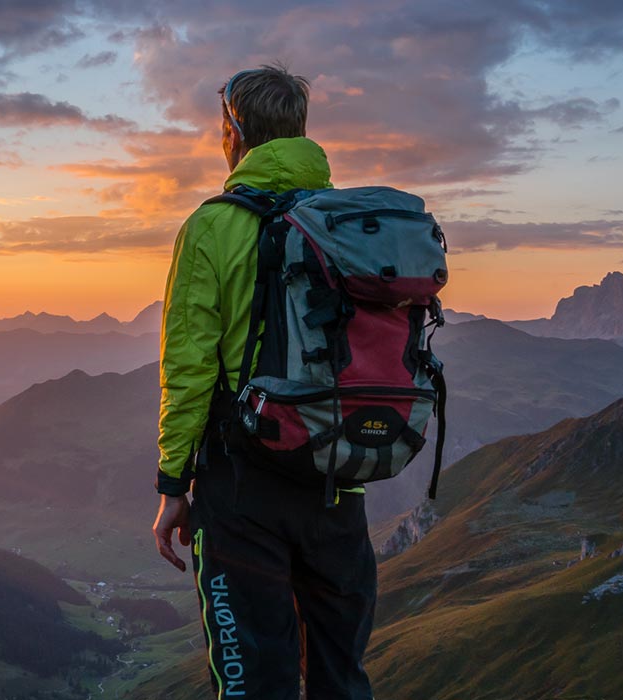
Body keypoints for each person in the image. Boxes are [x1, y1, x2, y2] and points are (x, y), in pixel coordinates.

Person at [152, 65, 377, 700]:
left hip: (243, 485)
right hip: (338, 479)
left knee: (257, 682)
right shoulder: (352, 225)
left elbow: (188, 368)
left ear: (234, 131)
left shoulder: (212, 226)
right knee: (341, 678)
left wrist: (173, 485)